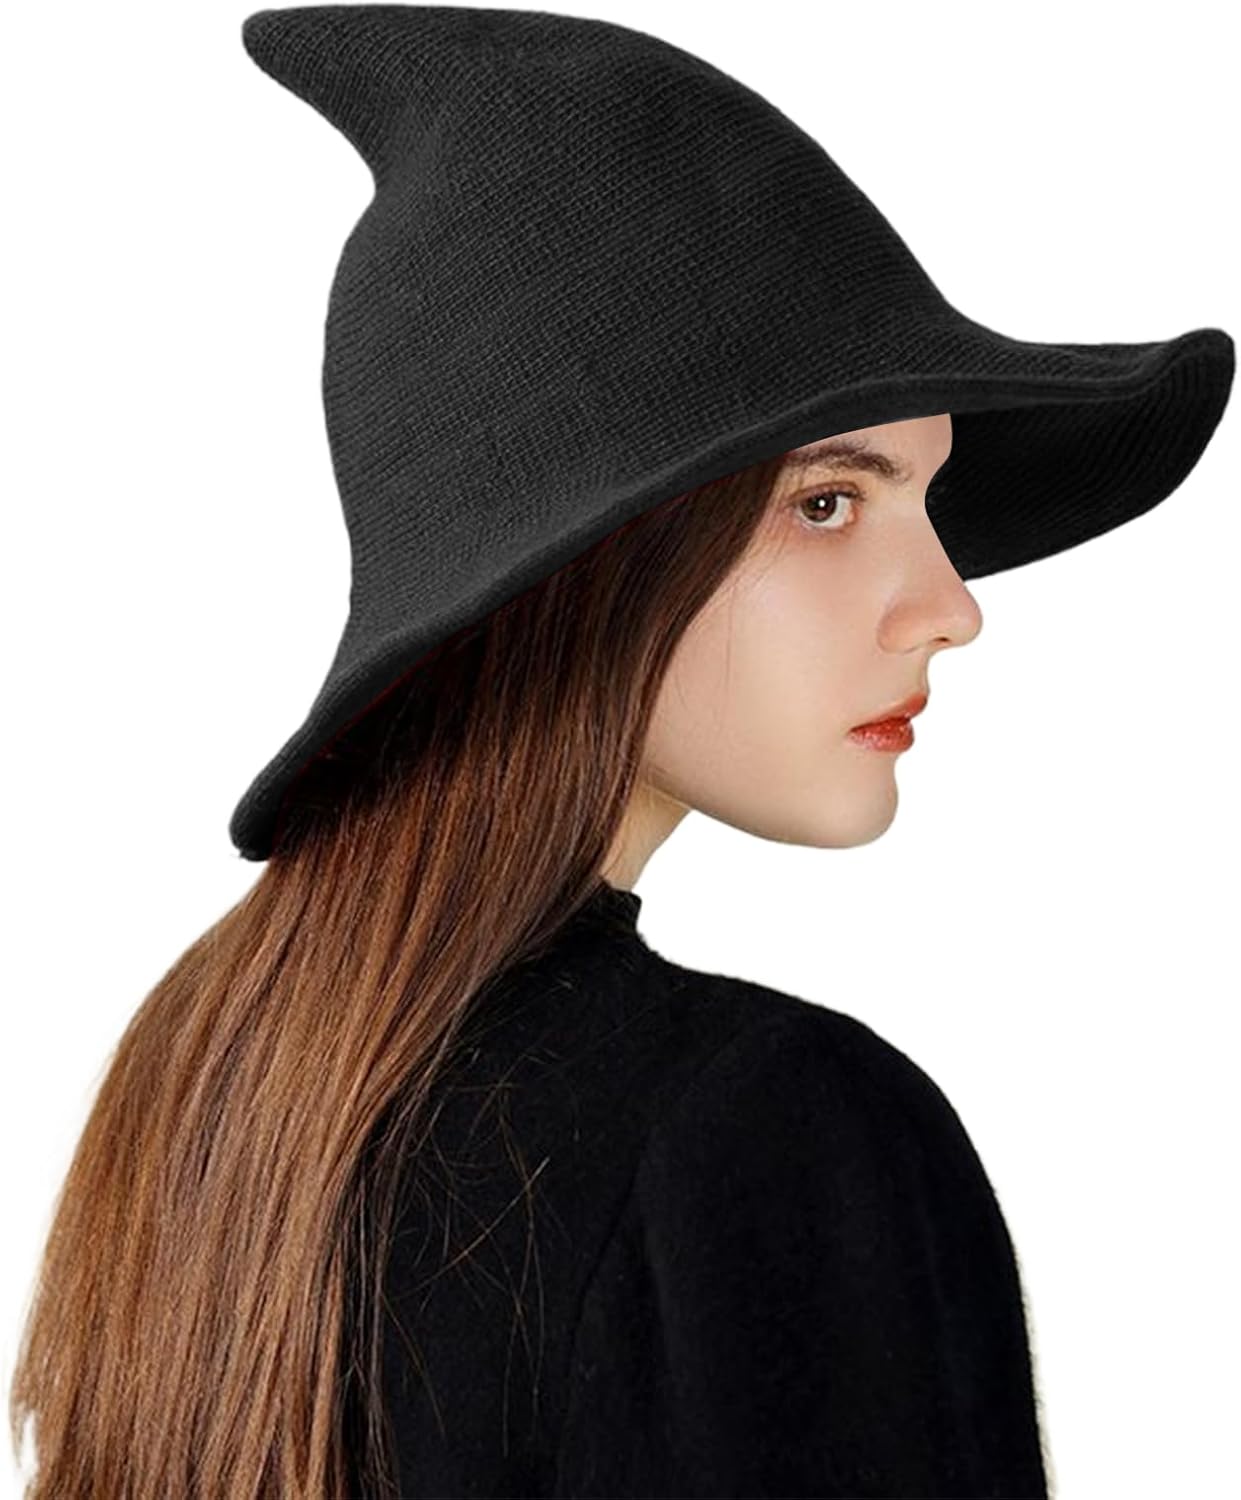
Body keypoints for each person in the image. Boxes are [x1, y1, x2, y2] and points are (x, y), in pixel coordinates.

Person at [9, 7, 1232, 1499]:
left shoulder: (211, 1084)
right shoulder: (771, 1128)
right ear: (584, 560)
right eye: (828, 503)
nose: (950, 607)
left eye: (926, 500)